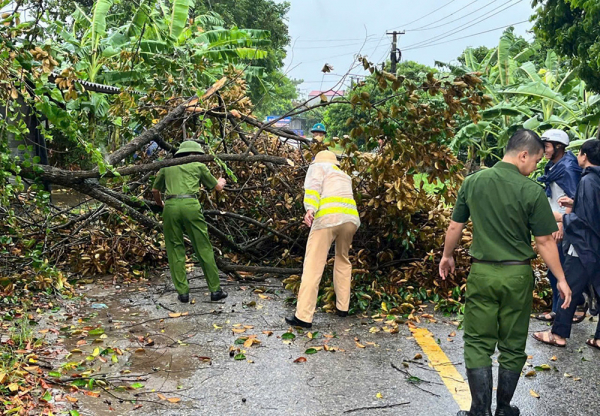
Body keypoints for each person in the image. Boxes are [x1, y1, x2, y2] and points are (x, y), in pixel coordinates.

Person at [439, 129, 572, 416]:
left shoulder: (473, 182)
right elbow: (545, 241)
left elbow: (454, 226)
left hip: (482, 274)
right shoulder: (531, 191)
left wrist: (447, 256)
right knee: (512, 344)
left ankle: (479, 411)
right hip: (517, 276)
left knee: (477, 341)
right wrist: (561, 279)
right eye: (535, 160)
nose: (535, 167)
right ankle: (504, 409)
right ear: (523, 155)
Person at [533, 139, 600, 349]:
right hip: (596, 246)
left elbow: (586, 220)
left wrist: (561, 218)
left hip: (583, 247)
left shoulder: (588, 180)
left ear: (584, 156)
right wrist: (575, 203)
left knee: (567, 288)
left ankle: (558, 334)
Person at [285, 150, 360, 329]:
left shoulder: (318, 168)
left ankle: (303, 316)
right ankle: (343, 307)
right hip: (351, 220)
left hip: (327, 219)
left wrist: (310, 209)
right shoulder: (344, 175)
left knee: (313, 265)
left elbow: (314, 187)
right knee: (343, 260)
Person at [152, 141, 228, 303]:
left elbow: (155, 190)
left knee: (175, 248)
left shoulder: (167, 166)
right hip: (191, 206)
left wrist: (161, 204)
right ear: (194, 154)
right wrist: (221, 181)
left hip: (171, 206)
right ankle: (215, 290)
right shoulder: (198, 166)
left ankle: (183, 293)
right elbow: (217, 187)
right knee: (203, 247)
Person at [535, 129, 584, 323]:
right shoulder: (554, 165)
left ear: (558, 147)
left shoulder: (568, 168)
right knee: (554, 269)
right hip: (553, 221)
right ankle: (568, 306)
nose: (544, 150)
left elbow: (574, 200)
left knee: (559, 270)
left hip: (562, 225)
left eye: (546, 147)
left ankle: (561, 310)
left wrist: (563, 224)